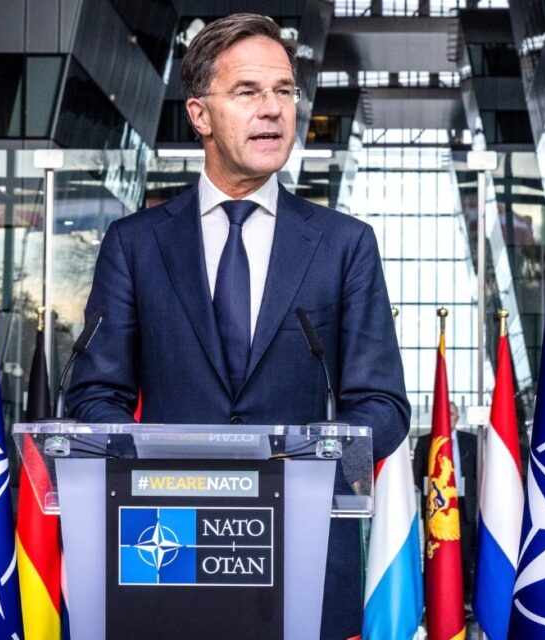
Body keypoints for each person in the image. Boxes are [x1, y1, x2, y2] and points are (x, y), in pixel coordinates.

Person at [64, 13, 410, 640]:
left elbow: (382, 407)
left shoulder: (344, 245)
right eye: (248, 91)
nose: (273, 109)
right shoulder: (135, 245)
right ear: (200, 115)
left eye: (284, 91)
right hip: (165, 547)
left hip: (300, 553)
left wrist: (299, 465)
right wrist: (167, 470)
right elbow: (94, 395)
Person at [411, 401, 479, 607]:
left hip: (464, 506)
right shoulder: (425, 442)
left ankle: (465, 601)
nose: (448, 417)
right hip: (437, 505)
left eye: (451, 414)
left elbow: (479, 473)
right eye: (444, 413)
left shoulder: (471, 441)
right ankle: (433, 598)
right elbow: (417, 474)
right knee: (435, 553)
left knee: (465, 555)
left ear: (458, 417)